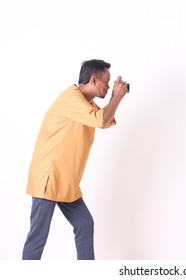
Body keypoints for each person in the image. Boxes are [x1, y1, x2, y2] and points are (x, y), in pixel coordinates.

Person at [22, 59, 129, 260]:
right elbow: (101, 119)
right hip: (49, 178)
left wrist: (115, 99)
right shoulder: (71, 99)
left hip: (66, 182)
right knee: (38, 236)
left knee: (84, 224)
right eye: (107, 81)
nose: (108, 86)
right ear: (94, 79)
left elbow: (104, 120)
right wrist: (116, 97)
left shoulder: (85, 103)